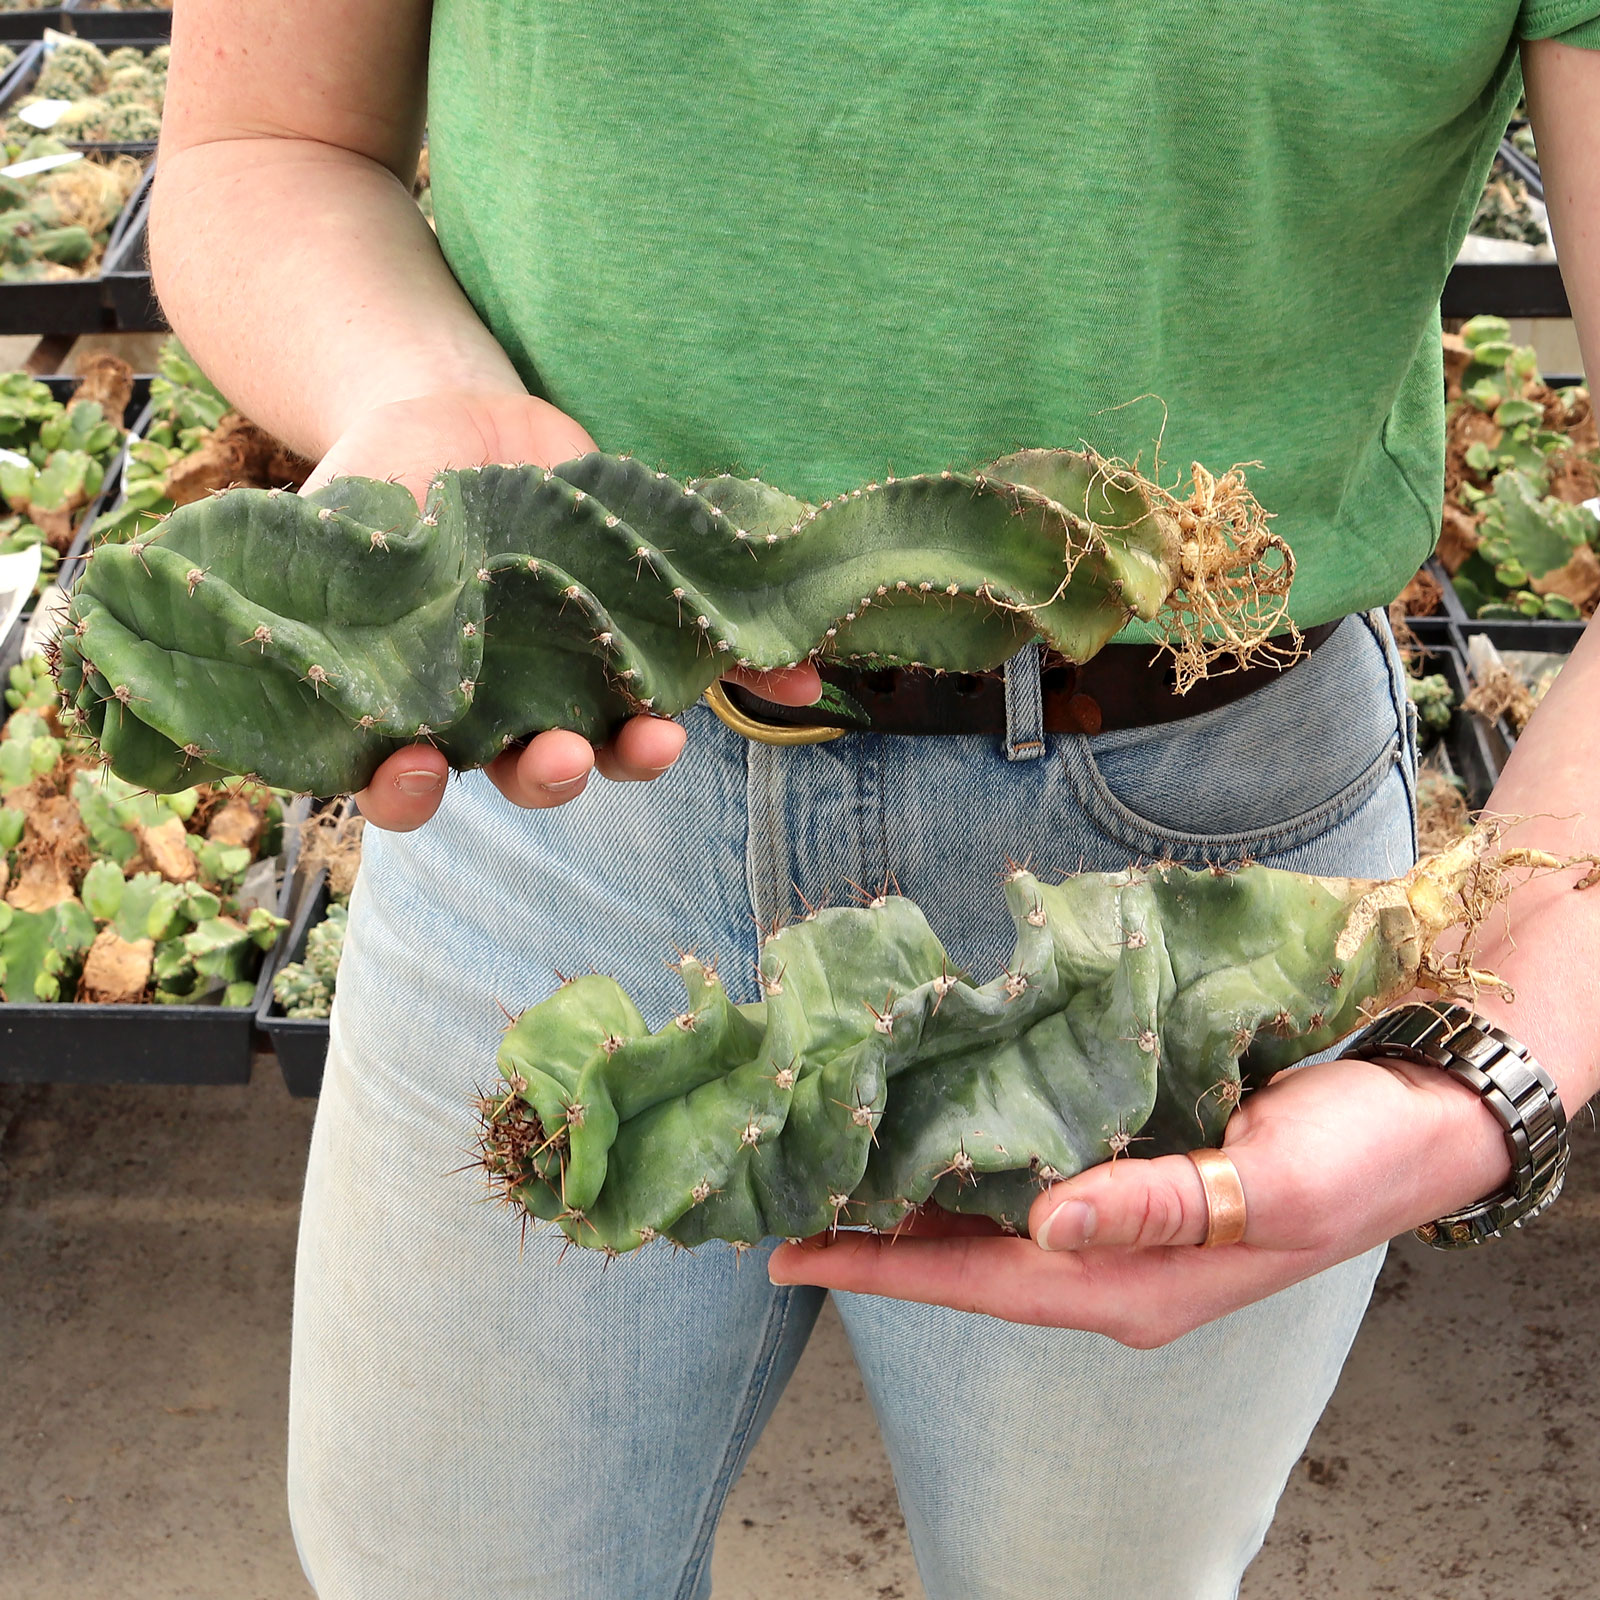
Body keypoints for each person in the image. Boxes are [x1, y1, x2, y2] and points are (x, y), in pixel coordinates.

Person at [153, 4, 1600, 1595]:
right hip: (575, 778)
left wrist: (1496, 1061)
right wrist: (421, 398)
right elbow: (266, 140)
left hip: (1196, 866)